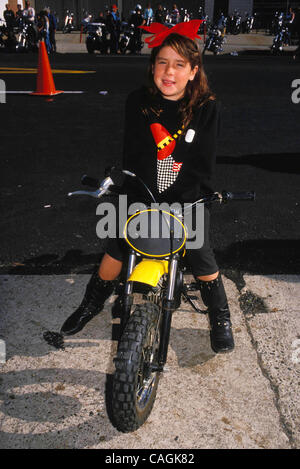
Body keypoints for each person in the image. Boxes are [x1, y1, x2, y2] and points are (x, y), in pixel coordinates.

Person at [59, 20, 235, 355]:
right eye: (162, 62)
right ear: (152, 66)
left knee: (201, 256)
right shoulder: (138, 101)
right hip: (143, 192)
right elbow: (135, 156)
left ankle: (220, 316)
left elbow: (202, 165)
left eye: (179, 65)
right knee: (116, 247)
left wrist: (177, 202)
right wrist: (135, 193)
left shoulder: (207, 107)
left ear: (194, 70)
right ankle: (91, 303)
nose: (169, 72)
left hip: (187, 197)